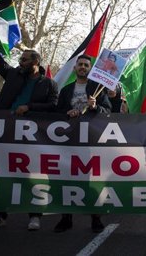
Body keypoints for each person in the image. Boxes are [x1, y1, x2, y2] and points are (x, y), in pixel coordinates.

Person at [0, 24, 58, 231]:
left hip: (32, 135)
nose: (20, 62)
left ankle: (34, 215)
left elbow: (53, 106)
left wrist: (29, 107)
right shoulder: (13, 75)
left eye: (24, 59)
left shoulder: (48, 84)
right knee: (2, 171)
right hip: (5, 129)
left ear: (36, 62)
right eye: (20, 60)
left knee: (31, 174)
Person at [53, 54, 111, 233]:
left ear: (90, 69)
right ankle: (66, 218)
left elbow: (108, 111)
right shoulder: (66, 90)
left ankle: (95, 218)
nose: (83, 67)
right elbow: (57, 113)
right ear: (75, 68)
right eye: (80, 64)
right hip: (69, 140)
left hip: (89, 141)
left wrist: (95, 107)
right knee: (66, 178)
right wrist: (67, 113)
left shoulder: (98, 89)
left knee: (89, 180)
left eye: (86, 65)